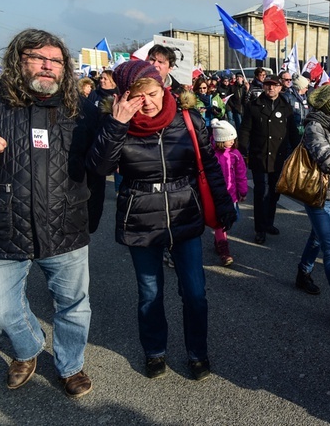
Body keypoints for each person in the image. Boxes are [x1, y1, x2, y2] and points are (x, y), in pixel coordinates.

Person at [87, 60, 236, 381]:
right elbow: (98, 168)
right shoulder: (116, 122)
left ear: (164, 88)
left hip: (185, 211)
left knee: (195, 292)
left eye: (153, 93)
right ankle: (154, 351)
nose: (150, 102)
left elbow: (209, 164)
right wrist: (117, 123)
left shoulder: (187, 118)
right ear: (125, 97)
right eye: (140, 97)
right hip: (141, 216)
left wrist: (223, 205)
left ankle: (198, 353)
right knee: (150, 292)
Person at [0, 29, 104, 398]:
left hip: (65, 227)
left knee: (74, 306)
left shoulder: (80, 108)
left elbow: (99, 164)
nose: (48, 66)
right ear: (18, 60)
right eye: (38, 58)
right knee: (1, 307)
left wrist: (119, 126)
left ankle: (70, 365)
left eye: (55, 60)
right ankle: (28, 349)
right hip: (6, 227)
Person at [295, 84, 330, 312]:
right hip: (318, 194)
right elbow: (327, 160)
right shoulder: (314, 126)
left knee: (317, 237)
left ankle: (303, 271)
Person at [238, 75, 300, 244]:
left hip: (279, 159)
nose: (270, 88)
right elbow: (245, 131)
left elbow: (292, 132)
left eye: (274, 85)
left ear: (280, 88)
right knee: (260, 193)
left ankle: (269, 223)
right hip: (259, 157)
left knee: (274, 193)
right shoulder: (253, 106)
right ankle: (260, 229)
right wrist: (242, 152)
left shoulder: (286, 107)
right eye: (267, 85)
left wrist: (298, 152)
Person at [211, 120, 248, 267]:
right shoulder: (212, 155)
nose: (232, 141)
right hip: (217, 195)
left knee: (229, 221)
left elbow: (241, 174)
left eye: (233, 138)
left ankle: (218, 240)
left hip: (231, 195)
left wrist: (243, 191)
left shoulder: (236, 154)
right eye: (229, 139)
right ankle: (224, 249)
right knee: (221, 223)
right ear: (220, 140)